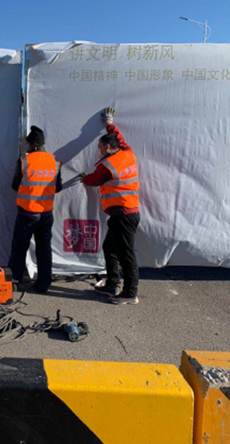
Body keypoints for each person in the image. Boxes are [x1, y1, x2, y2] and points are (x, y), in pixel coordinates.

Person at [81, 107, 140, 305]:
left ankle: (130, 293)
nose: (99, 151)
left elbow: (92, 180)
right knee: (110, 248)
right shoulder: (127, 153)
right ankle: (112, 283)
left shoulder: (108, 166)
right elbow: (119, 139)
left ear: (107, 147)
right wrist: (109, 125)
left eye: (100, 147)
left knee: (126, 254)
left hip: (123, 214)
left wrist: (84, 178)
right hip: (126, 212)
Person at [8, 126, 62, 293]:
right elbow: (58, 187)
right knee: (44, 248)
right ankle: (44, 283)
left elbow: (15, 185)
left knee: (19, 247)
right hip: (46, 214)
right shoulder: (55, 161)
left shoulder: (24, 160)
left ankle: (15, 280)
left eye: (27, 144)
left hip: (27, 213)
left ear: (31, 145)